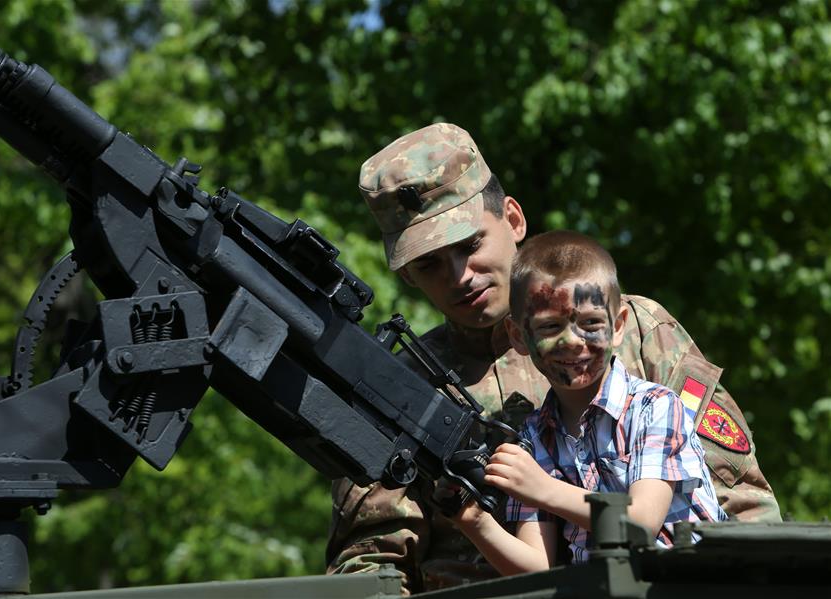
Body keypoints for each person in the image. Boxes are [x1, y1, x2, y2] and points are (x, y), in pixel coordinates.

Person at [326, 123, 780, 594]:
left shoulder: (638, 329)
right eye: (429, 263)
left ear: (513, 219)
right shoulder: (395, 388)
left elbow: (740, 499)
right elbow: (370, 559)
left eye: (470, 244)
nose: (460, 276)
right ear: (407, 277)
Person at [452, 230, 727, 573]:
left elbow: (641, 524)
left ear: (618, 325)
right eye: (550, 326)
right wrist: (473, 521)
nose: (572, 341)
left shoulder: (655, 408)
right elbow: (537, 567)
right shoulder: (534, 439)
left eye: (590, 323)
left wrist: (543, 489)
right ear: (519, 337)